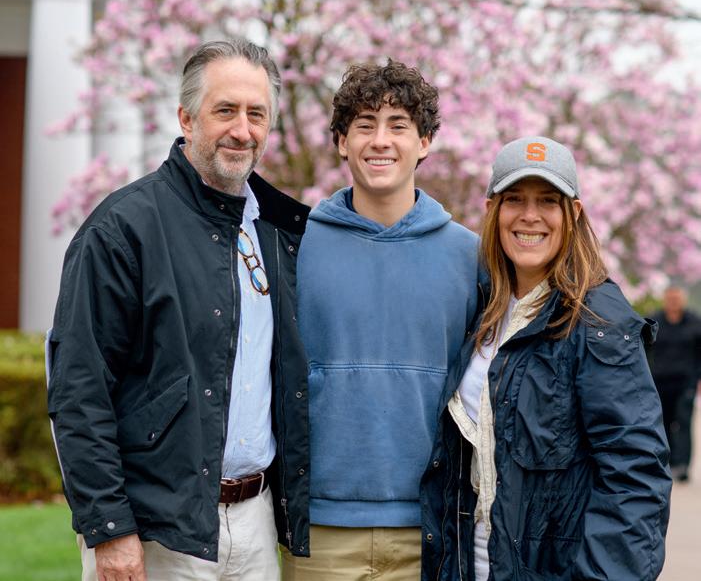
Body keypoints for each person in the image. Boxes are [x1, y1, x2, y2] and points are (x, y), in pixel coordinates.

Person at [47, 39, 311, 581]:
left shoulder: (277, 231)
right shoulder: (123, 229)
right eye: (225, 110)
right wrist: (109, 528)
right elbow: (78, 388)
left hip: (256, 525)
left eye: (256, 114)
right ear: (186, 119)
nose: (242, 130)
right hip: (156, 532)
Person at [421, 136, 672, 581]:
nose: (530, 215)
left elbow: (635, 479)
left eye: (548, 201)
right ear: (492, 210)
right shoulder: (480, 309)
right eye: (515, 199)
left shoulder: (599, 323)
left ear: (573, 213)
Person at [282, 60, 481, 580]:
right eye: (365, 125)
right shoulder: (296, 246)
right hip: (320, 528)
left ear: (425, 142)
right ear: (341, 142)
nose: (380, 141)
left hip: (433, 524)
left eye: (398, 125)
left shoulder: (470, 257)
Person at [648, 285, 701, 482]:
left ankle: (682, 465)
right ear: (665, 300)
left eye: (677, 299)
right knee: (664, 423)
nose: (673, 302)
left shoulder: (695, 322)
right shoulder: (654, 321)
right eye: (670, 299)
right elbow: (644, 350)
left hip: (686, 382)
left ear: (683, 300)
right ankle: (667, 462)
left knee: (684, 422)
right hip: (659, 382)